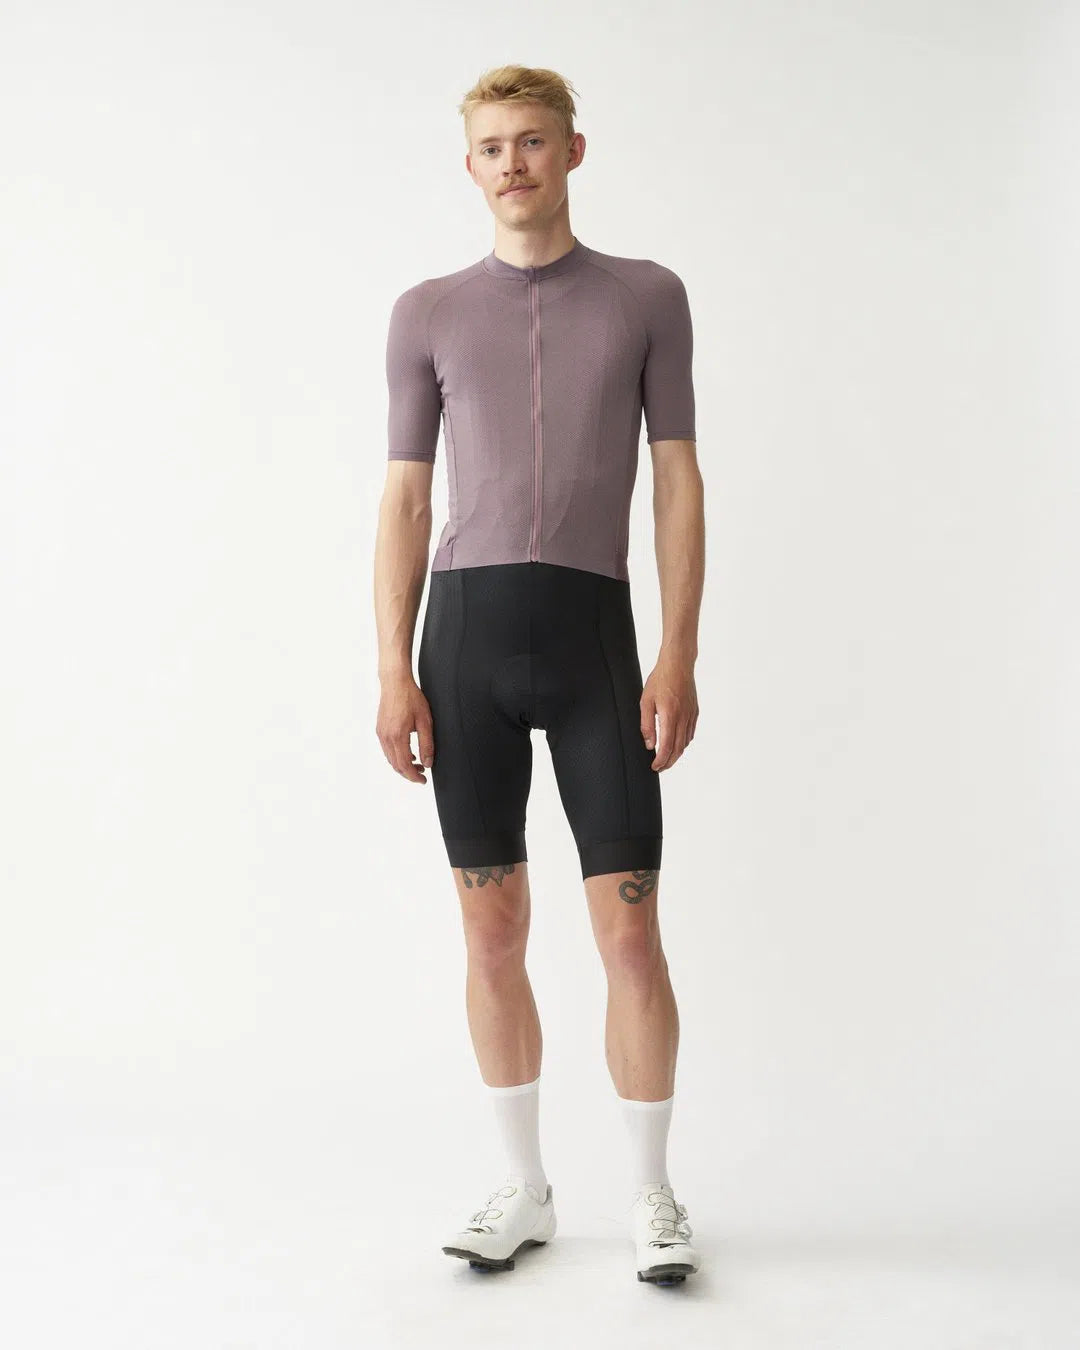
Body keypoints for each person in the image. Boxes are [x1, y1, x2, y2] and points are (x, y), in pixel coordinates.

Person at [373, 64, 705, 1286]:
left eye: (531, 141)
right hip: (461, 642)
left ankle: (654, 1194)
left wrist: (679, 648)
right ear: (469, 166)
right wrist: (391, 667)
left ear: (573, 150)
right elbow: (407, 501)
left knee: (630, 931)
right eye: (491, 146)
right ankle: (524, 1188)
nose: (512, 162)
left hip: (593, 640)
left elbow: (676, 478)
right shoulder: (425, 312)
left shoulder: (646, 297)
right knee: (491, 925)